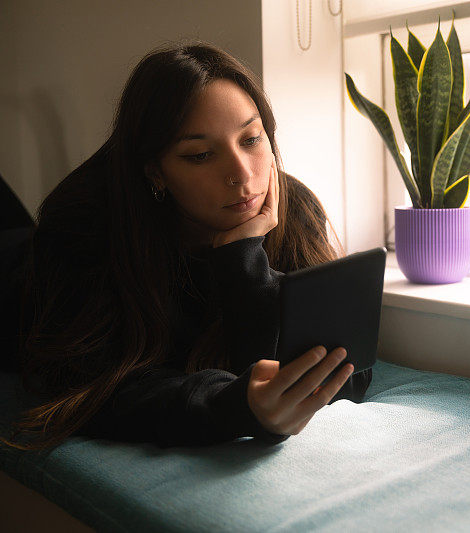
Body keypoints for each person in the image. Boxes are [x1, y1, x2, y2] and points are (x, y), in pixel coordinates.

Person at [0, 42, 372, 451]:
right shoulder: (85, 228)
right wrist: (234, 407)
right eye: (200, 155)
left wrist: (242, 258)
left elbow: (345, 369)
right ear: (155, 172)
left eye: (251, 139)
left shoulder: (294, 209)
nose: (242, 174)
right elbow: (97, 389)